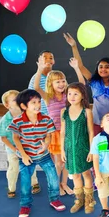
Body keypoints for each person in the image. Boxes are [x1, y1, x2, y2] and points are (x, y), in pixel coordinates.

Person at [9, 89, 66, 217]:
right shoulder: (18, 121)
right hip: (26, 156)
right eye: (33, 102)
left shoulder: (46, 119)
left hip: (44, 155)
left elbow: (48, 136)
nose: (38, 105)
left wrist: (45, 145)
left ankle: (54, 199)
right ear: (24, 106)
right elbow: (16, 138)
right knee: (25, 181)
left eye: (39, 102)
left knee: (52, 176)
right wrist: (23, 155)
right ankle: (25, 205)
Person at [64, 32, 109, 135]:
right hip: (96, 123)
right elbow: (80, 66)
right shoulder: (94, 82)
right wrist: (74, 46)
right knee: (97, 148)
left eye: (107, 67)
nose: (103, 69)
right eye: (101, 67)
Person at [32, 56, 72, 196]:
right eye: (57, 82)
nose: (61, 84)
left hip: (68, 132)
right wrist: (39, 69)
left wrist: (77, 68)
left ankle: (64, 183)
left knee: (67, 161)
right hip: (55, 133)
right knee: (58, 162)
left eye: (63, 81)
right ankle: (56, 185)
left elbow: (81, 85)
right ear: (51, 84)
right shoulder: (48, 96)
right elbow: (36, 87)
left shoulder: (68, 95)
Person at [0, 90, 39, 198]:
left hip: (27, 148)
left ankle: (34, 183)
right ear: (7, 105)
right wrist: (15, 150)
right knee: (13, 169)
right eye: (15, 100)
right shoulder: (5, 120)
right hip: (13, 149)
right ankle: (11, 188)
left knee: (30, 166)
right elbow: (3, 138)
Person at [61, 82, 95, 214]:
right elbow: (62, 132)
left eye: (76, 94)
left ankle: (89, 201)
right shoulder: (64, 111)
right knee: (75, 175)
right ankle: (79, 200)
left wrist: (92, 150)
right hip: (69, 149)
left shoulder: (87, 112)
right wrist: (62, 150)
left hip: (83, 147)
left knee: (86, 173)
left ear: (82, 96)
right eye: (69, 93)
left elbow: (91, 132)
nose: (72, 96)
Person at [28, 50, 54, 116]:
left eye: (51, 58)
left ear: (53, 61)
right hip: (41, 116)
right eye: (45, 58)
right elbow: (30, 98)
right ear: (39, 60)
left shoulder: (56, 76)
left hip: (55, 114)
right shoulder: (35, 78)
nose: (48, 60)